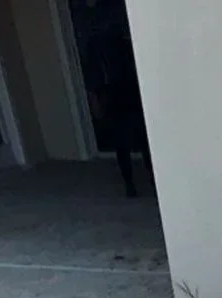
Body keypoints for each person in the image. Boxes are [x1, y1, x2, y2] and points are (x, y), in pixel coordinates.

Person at [81, 1, 150, 197]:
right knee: (133, 140)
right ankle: (134, 182)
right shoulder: (107, 41)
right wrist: (96, 98)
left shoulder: (110, 41)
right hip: (117, 93)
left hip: (121, 92)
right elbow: (93, 73)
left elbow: (93, 73)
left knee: (132, 140)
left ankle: (135, 182)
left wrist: (96, 98)